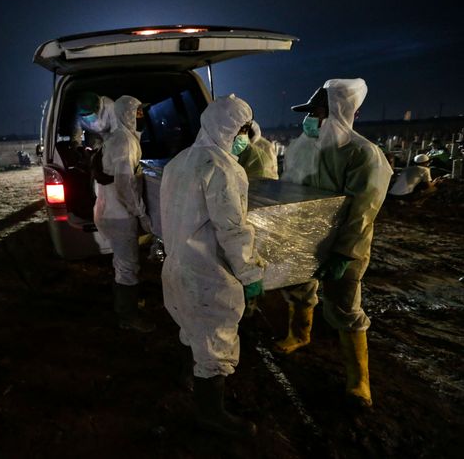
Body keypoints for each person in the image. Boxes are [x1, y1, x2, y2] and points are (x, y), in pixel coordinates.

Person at [276, 78, 392, 408]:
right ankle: (299, 334)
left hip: (343, 243)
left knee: (343, 304)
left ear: (342, 113)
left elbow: (362, 211)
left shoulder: (363, 154)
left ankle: (359, 382)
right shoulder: (302, 147)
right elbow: (290, 189)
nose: (311, 119)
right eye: (310, 113)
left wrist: (344, 252)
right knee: (300, 287)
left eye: (318, 113)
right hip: (303, 237)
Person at [160, 95, 264, 437]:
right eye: (243, 130)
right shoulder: (223, 167)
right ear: (229, 128)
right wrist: (249, 273)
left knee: (190, 329)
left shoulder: (178, 162)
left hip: (176, 264)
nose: (245, 139)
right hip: (206, 271)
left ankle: (184, 377)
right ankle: (210, 414)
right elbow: (232, 228)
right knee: (215, 341)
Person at [94, 95, 155, 333]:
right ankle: (128, 317)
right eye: (137, 113)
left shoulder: (118, 138)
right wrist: (140, 213)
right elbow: (124, 184)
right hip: (119, 215)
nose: (141, 117)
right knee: (127, 267)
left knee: (122, 264)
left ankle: (125, 306)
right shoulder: (124, 142)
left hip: (110, 211)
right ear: (126, 114)